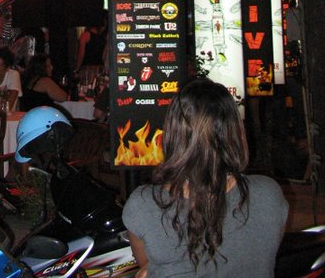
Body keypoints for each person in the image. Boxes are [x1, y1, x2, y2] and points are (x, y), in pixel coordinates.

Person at [122, 79, 288, 278]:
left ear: (173, 134)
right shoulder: (268, 194)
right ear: (234, 132)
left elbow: (148, 267)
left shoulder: (144, 204)